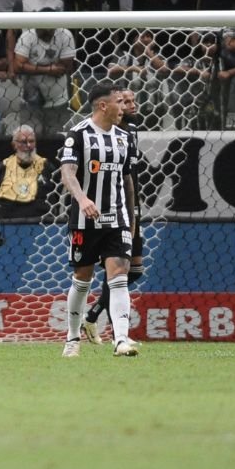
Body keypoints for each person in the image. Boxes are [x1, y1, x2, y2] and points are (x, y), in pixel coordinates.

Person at [59, 82, 139, 358]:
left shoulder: (125, 137)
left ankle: (121, 340)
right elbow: (67, 172)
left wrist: (131, 218)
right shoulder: (78, 134)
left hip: (116, 219)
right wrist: (82, 199)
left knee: (119, 276)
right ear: (103, 105)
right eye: (119, 101)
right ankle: (72, 338)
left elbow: (127, 181)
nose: (124, 107)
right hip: (84, 220)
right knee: (82, 280)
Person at [82, 86, 143, 343]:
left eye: (131, 100)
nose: (130, 105)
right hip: (104, 210)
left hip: (129, 204)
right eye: (124, 101)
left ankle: (93, 318)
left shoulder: (129, 133)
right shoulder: (97, 133)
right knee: (117, 269)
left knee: (133, 270)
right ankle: (90, 320)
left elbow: (129, 176)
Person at [0, 125, 55, 218]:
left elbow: (57, 195)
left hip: (41, 224)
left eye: (31, 141)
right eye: (23, 142)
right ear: (14, 145)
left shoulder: (47, 167)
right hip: (8, 223)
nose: (28, 145)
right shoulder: (3, 167)